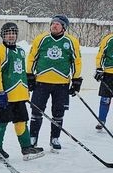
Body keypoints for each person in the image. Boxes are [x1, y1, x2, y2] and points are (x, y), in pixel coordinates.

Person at [0, 22, 45, 160]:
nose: (11, 36)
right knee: (1, 122)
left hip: (19, 95)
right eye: (8, 33)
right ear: (3, 35)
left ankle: (26, 148)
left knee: (21, 121)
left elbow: (20, 73)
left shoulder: (20, 51)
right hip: (3, 96)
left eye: (13, 33)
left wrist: (26, 89)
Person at [27, 15, 83, 151]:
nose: (54, 26)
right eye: (53, 23)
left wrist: (76, 80)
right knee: (36, 111)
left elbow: (76, 61)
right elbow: (32, 58)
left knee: (58, 112)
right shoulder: (41, 39)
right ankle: (33, 137)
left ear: (64, 27)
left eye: (58, 24)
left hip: (62, 83)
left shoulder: (71, 41)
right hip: (41, 82)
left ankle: (54, 138)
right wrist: (29, 75)